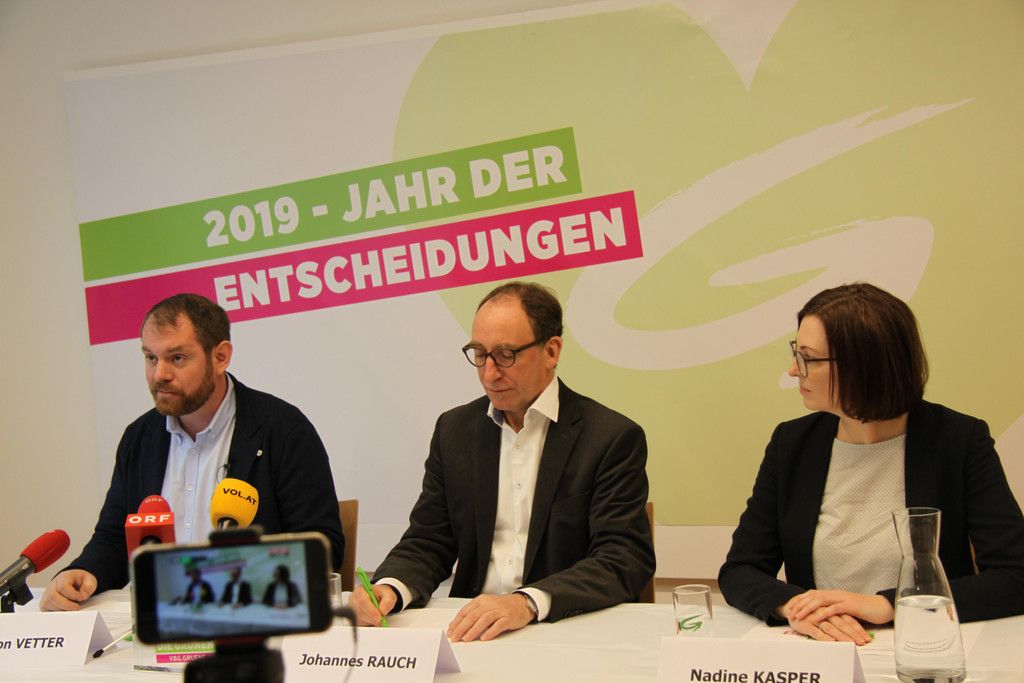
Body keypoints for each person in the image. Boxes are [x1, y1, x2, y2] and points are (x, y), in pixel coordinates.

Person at [718, 283, 1024, 643]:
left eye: (808, 358)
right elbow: (740, 569)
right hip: (824, 652)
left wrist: (891, 604)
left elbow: (1015, 575)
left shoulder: (959, 440)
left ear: (864, 366)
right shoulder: (792, 443)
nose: (792, 370)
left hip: (927, 646)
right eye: (796, 353)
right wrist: (799, 608)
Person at [351, 281, 655, 641]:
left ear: (551, 351)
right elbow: (429, 539)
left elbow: (622, 559)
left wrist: (526, 602)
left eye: (506, 354)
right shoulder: (455, 430)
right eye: (479, 354)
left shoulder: (609, 437)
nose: (489, 373)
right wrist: (390, 587)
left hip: (564, 631)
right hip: (472, 630)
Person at [40, 293, 344, 611]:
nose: (159, 374)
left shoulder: (283, 430)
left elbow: (323, 547)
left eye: (177, 358)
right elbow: (114, 539)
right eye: (150, 358)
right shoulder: (139, 438)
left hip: (256, 619)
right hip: (163, 622)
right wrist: (83, 572)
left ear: (220, 357)